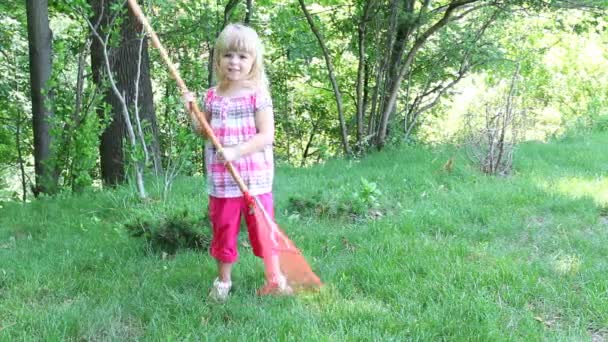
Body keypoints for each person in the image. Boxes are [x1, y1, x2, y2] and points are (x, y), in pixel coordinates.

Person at [184, 23, 291, 301]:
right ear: (218, 58)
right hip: (222, 182)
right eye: (228, 55)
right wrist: (192, 111)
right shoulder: (212, 96)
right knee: (224, 230)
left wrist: (236, 151)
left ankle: (275, 279)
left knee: (263, 231)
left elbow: (267, 136)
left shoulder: (258, 95)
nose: (234, 62)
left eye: (242, 56)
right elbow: (201, 130)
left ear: (254, 61)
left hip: (255, 179)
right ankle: (223, 283)